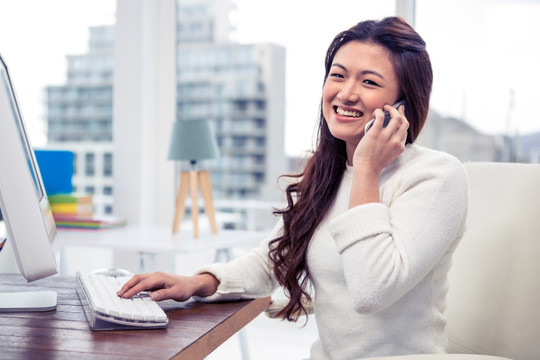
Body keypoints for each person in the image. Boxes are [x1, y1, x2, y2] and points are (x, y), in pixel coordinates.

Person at [118, 16, 469, 359]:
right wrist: (198, 282)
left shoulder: (436, 176)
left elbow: (372, 290)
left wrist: (366, 169)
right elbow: (271, 261)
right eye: (338, 76)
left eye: (369, 83)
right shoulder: (325, 174)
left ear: (403, 106)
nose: (346, 94)